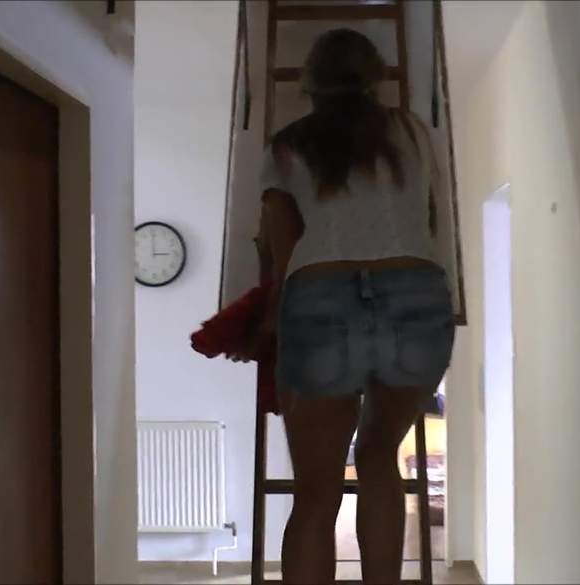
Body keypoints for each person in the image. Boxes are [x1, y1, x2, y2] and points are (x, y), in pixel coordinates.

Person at [249, 28, 455, 585]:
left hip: (321, 295)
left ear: (309, 82)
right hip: (417, 292)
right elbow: (433, 218)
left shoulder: (287, 145)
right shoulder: (413, 132)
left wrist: (270, 320)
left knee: (315, 495)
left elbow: (283, 244)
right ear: (375, 75)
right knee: (379, 457)